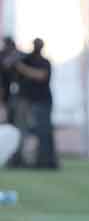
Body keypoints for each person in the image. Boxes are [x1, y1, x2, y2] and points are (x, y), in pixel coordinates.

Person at [9, 38, 58, 169]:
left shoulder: (44, 62)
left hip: (42, 101)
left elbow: (40, 75)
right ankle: (19, 160)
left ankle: (45, 161)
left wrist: (21, 67)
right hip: (26, 101)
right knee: (21, 131)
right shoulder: (26, 59)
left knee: (44, 132)